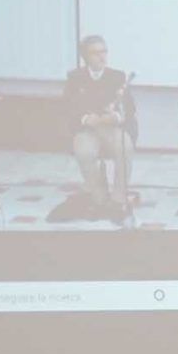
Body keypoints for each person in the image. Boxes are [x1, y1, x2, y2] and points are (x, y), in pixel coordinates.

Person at [61, 33, 134, 222]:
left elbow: (130, 109)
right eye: (95, 53)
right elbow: (68, 109)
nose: (102, 57)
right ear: (85, 57)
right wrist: (85, 118)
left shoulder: (117, 76)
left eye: (104, 52)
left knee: (125, 146)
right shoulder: (75, 77)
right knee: (84, 152)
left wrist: (115, 117)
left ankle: (118, 200)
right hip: (87, 130)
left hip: (111, 129)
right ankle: (99, 200)